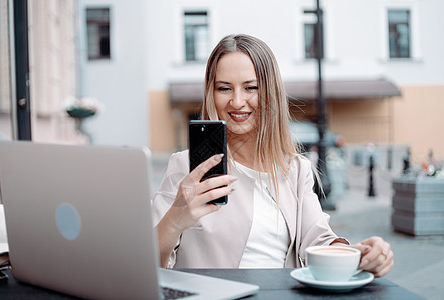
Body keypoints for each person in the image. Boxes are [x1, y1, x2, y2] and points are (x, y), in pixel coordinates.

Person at [152, 34, 393, 277]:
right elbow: (145, 263)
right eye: (224, 88)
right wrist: (174, 219)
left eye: (251, 88)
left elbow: (318, 239)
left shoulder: (296, 169)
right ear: (211, 93)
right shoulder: (187, 166)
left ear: (270, 92)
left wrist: (359, 254)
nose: (237, 101)